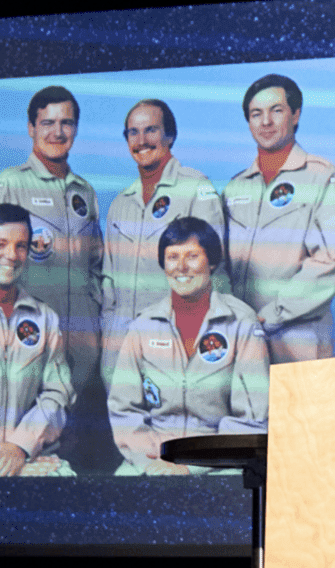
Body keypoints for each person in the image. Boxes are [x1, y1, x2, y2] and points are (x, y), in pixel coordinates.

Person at [108, 217, 269, 475]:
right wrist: (153, 461)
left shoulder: (242, 324)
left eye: (192, 256)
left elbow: (251, 421)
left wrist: (191, 465)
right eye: (172, 257)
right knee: (119, 489)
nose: (181, 267)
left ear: (212, 261)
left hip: (221, 461)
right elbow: (123, 410)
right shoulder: (143, 326)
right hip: (153, 457)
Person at [0, 86, 104, 470]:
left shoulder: (84, 192)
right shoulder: (9, 183)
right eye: (47, 122)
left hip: (81, 345)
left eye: (67, 123)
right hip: (30, 341)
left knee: (76, 451)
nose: (57, 132)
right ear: (31, 128)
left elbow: (96, 263)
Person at [222, 74, 335, 364]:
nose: (265, 121)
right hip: (241, 341)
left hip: (297, 340)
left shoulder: (321, 176)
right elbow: (220, 263)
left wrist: (271, 315)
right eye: (256, 114)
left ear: (295, 115)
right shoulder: (235, 188)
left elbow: (331, 260)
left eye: (276, 110)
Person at [101, 99, 226, 388]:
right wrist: (110, 335)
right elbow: (108, 280)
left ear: (170, 135)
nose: (141, 140)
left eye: (151, 130)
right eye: (133, 132)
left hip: (174, 340)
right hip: (120, 346)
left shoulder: (195, 189)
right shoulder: (121, 203)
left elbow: (213, 271)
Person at [0, 203, 75, 477]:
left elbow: (57, 393)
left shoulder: (44, 318)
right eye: (2, 244)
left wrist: (20, 447)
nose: (12, 255)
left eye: (21, 246)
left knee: (62, 478)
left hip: (26, 456)